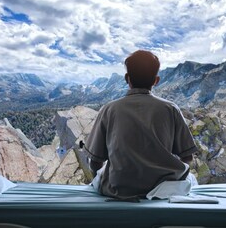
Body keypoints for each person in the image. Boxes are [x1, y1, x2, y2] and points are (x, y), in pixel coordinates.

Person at [84, 50, 198, 199]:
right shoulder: (171, 109)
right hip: (164, 188)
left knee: (101, 174)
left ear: (127, 78)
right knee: (192, 180)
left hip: (117, 189)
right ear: (156, 80)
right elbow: (187, 157)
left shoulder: (109, 109)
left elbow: (95, 161)